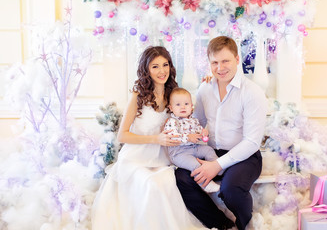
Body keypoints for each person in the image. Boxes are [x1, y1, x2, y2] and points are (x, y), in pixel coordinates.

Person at [91, 46, 206, 230]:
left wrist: (207, 83)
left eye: (165, 65)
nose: (162, 71)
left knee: (167, 183)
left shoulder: (173, 93)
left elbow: (188, 113)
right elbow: (122, 135)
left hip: (162, 159)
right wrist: (156, 139)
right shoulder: (138, 96)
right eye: (155, 66)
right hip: (136, 159)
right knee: (151, 184)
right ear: (146, 69)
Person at [175, 36, 267, 230]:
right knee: (182, 178)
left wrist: (216, 166)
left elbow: (251, 142)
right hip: (212, 152)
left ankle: (244, 224)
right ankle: (222, 225)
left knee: (231, 190)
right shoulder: (205, 88)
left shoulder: (252, 92)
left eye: (225, 61)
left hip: (245, 156)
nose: (220, 68)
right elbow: (197, 123)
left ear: (237, 59)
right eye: (214, 63)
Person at [164, 87, 220, 193]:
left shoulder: (193, 120)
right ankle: (206, 184)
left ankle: (218, 168)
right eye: (178, 105)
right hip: (179, 153)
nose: (183, 107)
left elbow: (199, 131)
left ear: (191, 106)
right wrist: (188, 137)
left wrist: (203, 132)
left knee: (208, 150)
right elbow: (172, 137)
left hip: (194, 147)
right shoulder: (172, 121)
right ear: (171, 108)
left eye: (186, 104)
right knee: (195, 165)